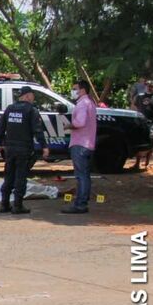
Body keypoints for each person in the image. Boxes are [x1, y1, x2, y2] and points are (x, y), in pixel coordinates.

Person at [0, 85, 49, 215]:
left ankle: (4, 204)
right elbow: (37, 130)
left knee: (8, 175)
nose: (33, 98)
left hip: (10, 148)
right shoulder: (31, 110)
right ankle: (17, 205)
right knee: (20, 176)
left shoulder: (9, 109)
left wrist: (0, 143)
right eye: (32, 96)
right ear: (27, 96)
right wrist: (44, 146)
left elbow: (1, 127)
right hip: (23, 148)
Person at [63, 79, 97, 215]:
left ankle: (80, 204)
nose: (73, 91)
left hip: (80, 144)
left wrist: (68, 125)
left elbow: (80, 122)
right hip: (88, 143)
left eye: (75, 88)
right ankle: (83, 201)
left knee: (81, 175)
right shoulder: (90, 103)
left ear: (82, 90)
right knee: (85, 175)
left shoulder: (83, 104)